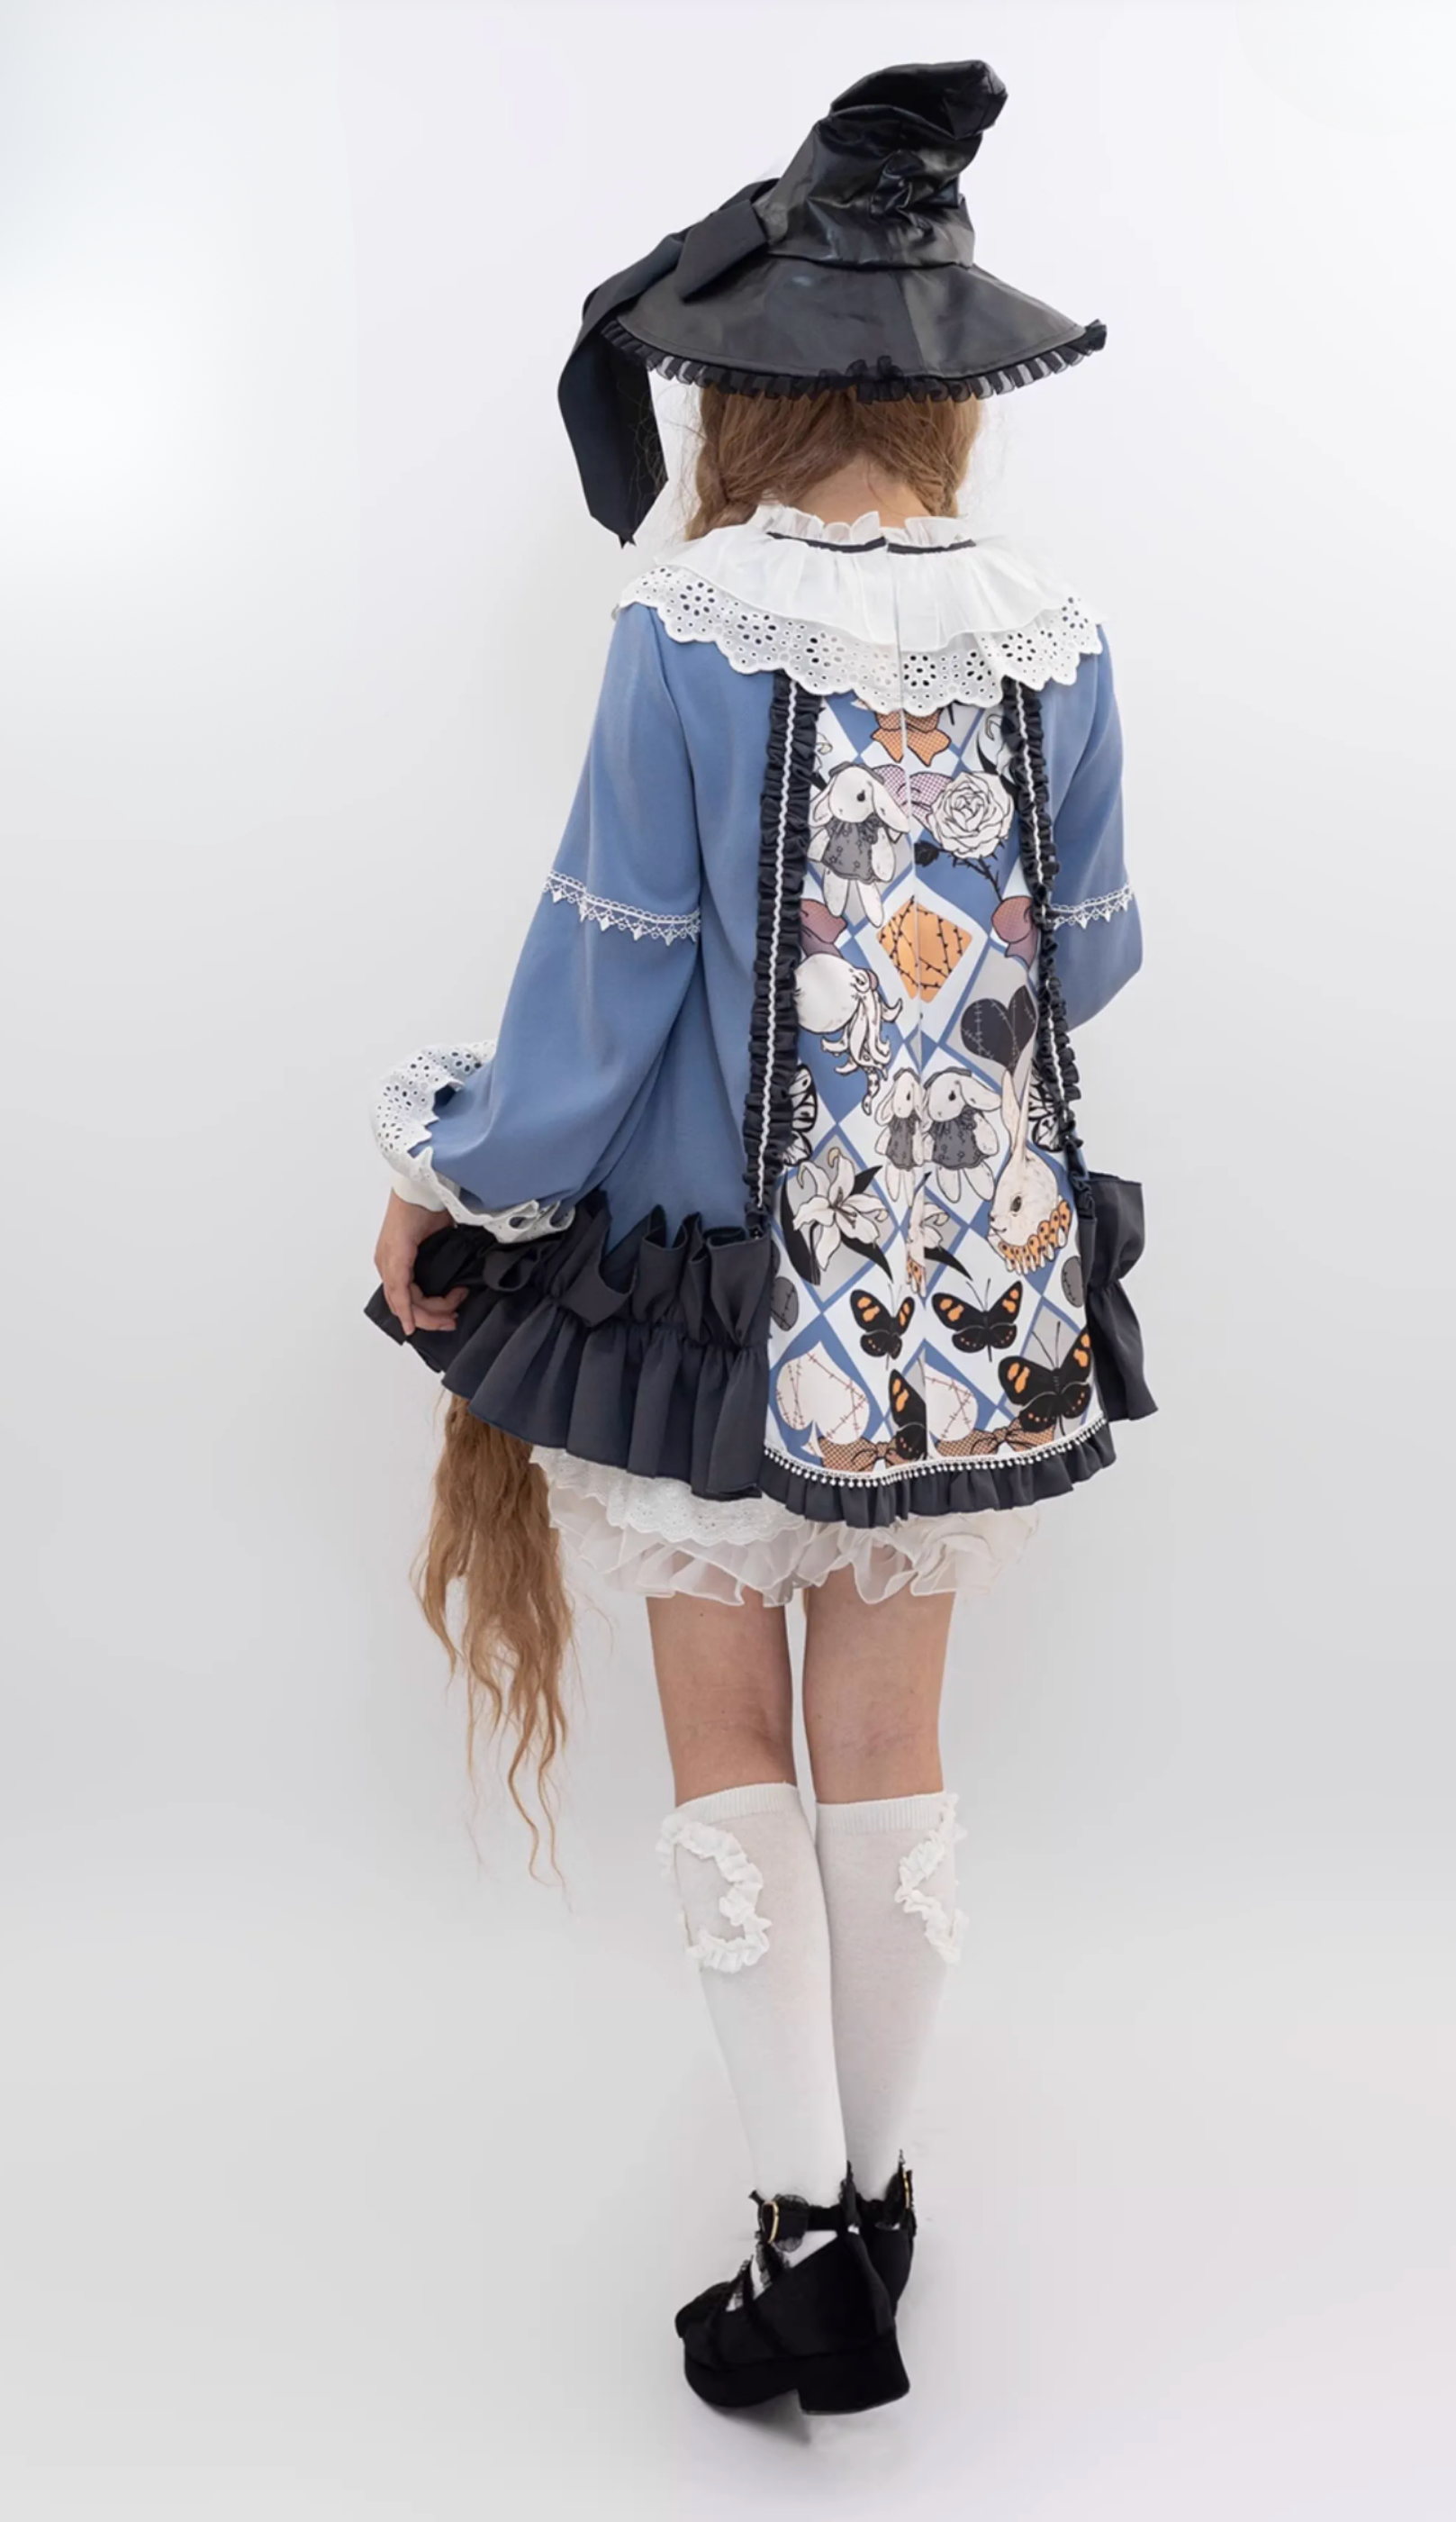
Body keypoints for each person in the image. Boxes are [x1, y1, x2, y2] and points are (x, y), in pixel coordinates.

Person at [367, 59, 1152, 2415]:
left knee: (730, 1750)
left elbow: (601, 991)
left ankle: (803, 2246)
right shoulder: (1051, 631)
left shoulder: (693, 631)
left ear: (747, 388)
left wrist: (455, 1172)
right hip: (960, 1293)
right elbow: (1090, 959)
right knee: (890, 1752)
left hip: (713, 1299)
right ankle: (880, 2203)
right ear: (946, 391)